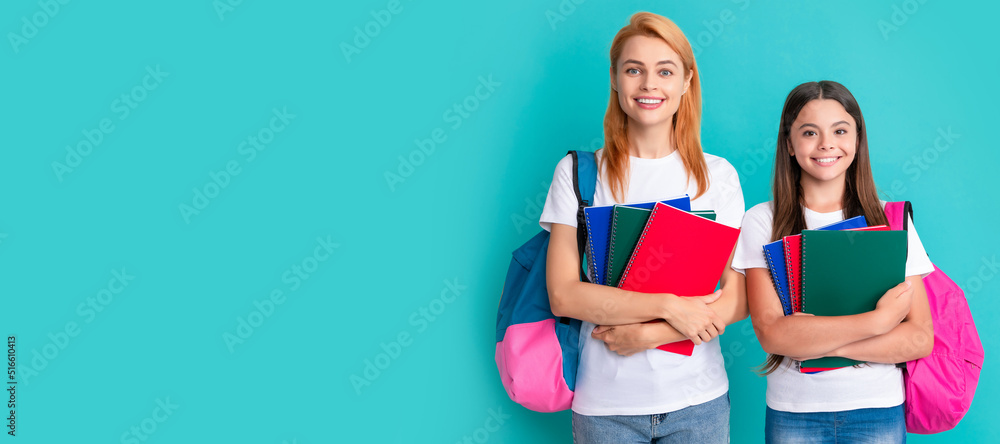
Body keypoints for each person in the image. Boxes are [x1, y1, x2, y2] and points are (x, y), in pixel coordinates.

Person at [540, 12, 746, 443]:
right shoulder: (580, 173)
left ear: (687, 82)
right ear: (615, 79)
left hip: (699, 404)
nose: (649, 84)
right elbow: (563, 293)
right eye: (634, 70)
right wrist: (671, 305)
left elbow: (737, 298)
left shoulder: (718, 176)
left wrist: (650, 334)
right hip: (606, 410)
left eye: (665, 71)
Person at [731, 80, 934, 443]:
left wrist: (813, 343)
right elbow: (773, 334)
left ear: (857, 140)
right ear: (789, 144)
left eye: (840, 130)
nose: (826, 144)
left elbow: (919, 338)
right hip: (794, 413)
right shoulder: (761, 221)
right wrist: (878, 321)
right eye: (809, 132)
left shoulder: (890, 221)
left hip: (878, 409)